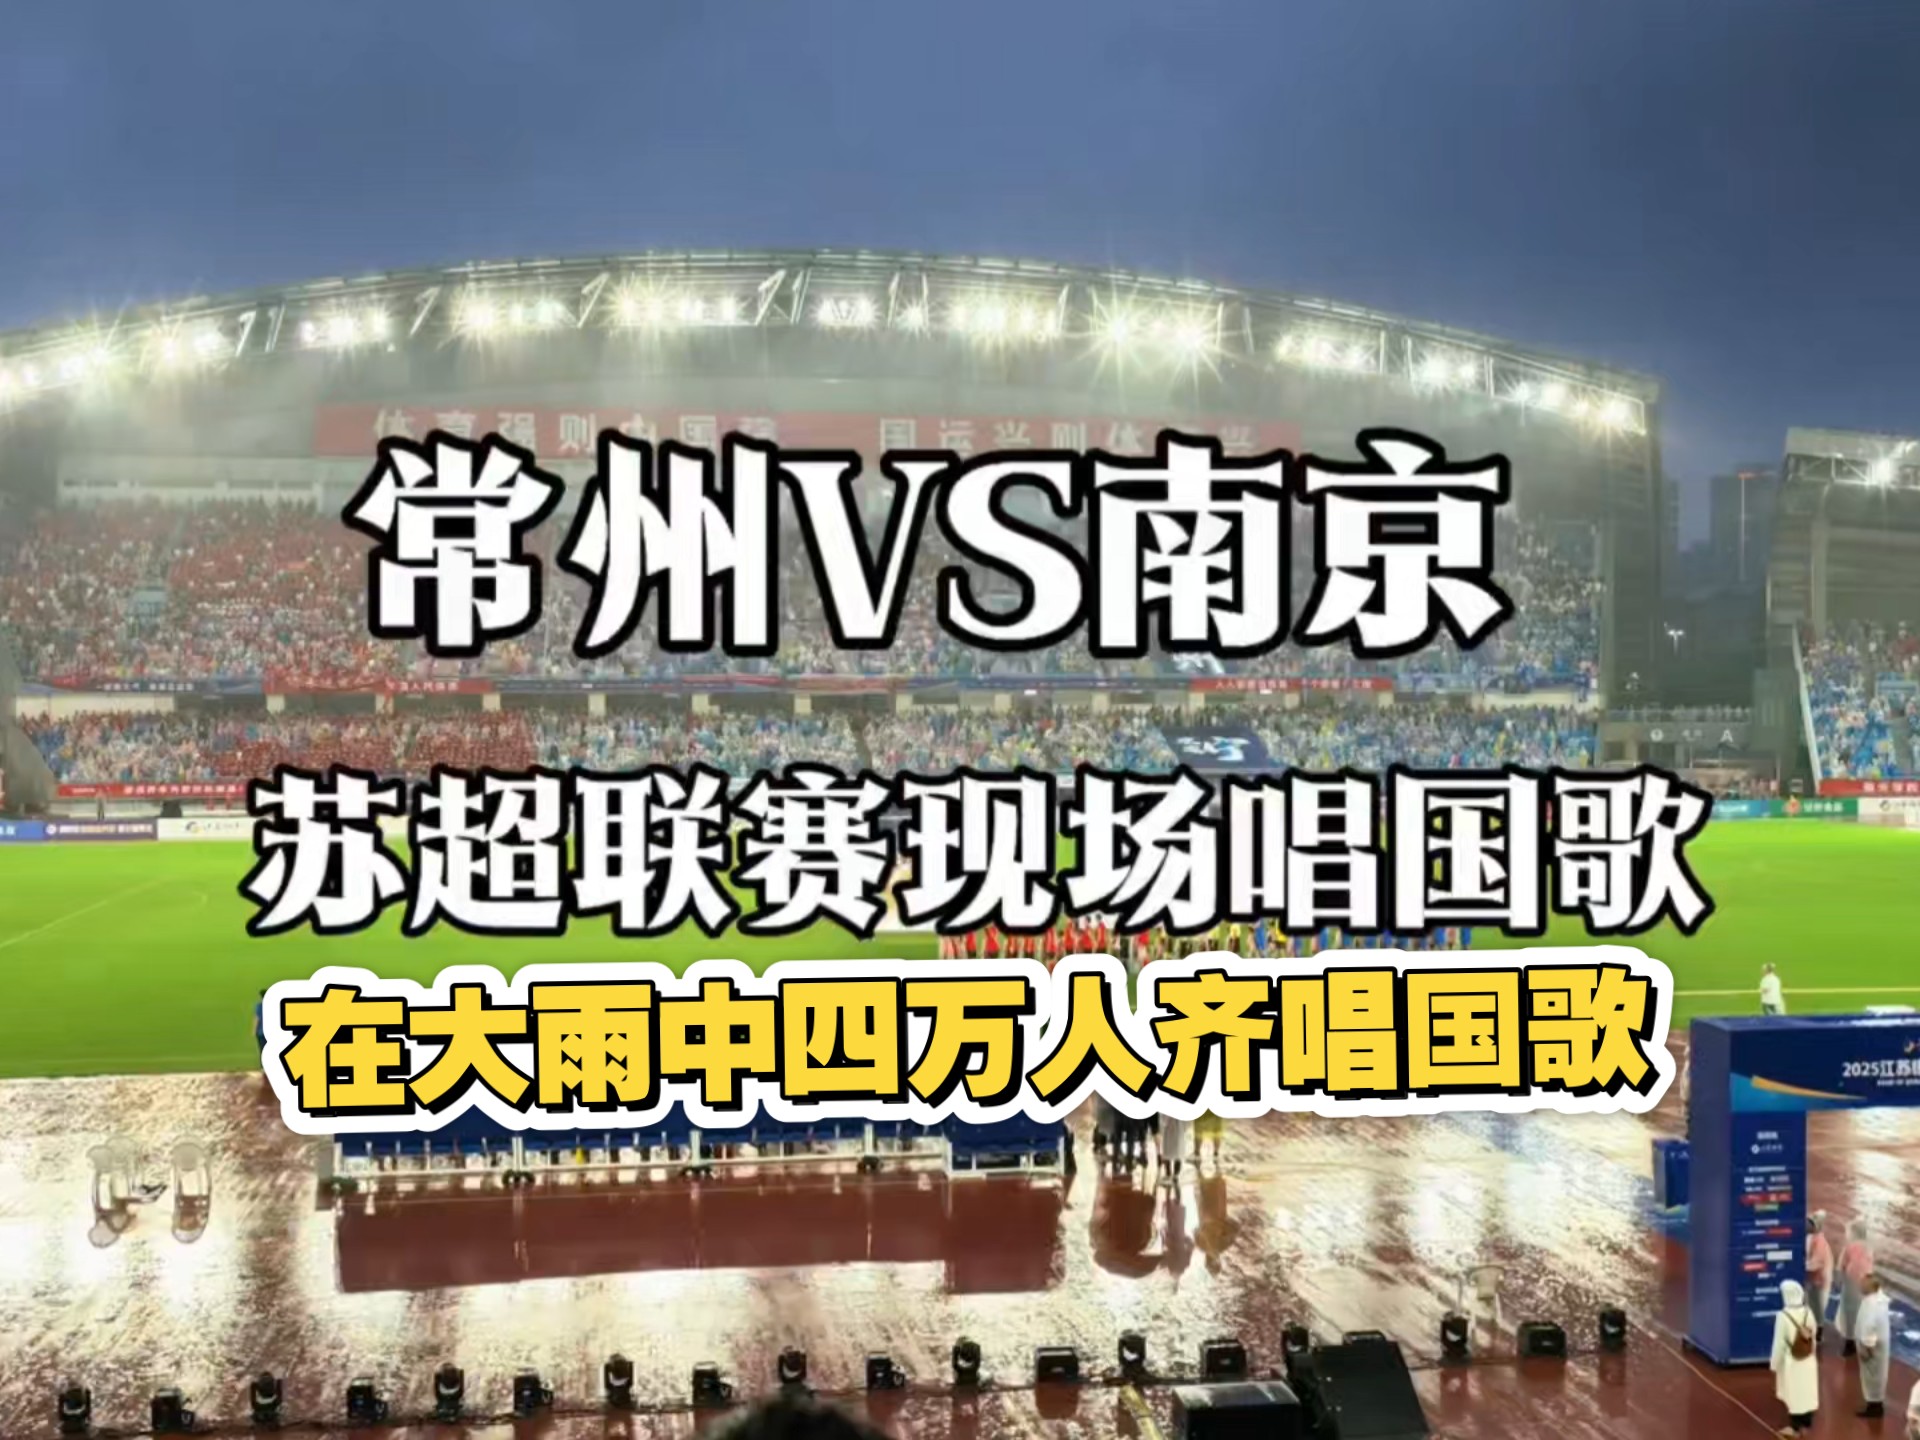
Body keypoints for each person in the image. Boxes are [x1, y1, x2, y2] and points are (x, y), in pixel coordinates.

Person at [1769, 1279, 1820, 1435]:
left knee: (1794, 1394)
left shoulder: (1782, 1316)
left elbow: (1779, 1343)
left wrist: (1774, 1364)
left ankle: (1794, 1428)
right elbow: (1813, 1334)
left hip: (1792, 1361)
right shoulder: (1808, 1312)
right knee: (1807, 1391)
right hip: (1808, 1359)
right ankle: (1806, 1423)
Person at [1856, 1272, 1891, 1418]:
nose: (1860, 1285)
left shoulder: (1872, 1305)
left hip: (1872, 1348)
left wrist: (1867, 1348)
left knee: (1872, 1377)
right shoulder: (1877, 1300)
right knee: (1876, 1376)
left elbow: (1870, 1326)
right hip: (1877, 1346)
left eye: (1863, 1283)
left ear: (1870, 1287)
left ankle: (1874, 1408)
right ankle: (1875, 1405)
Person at [1838, 1220, 1874, 1356]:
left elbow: (1842, 1265)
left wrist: (1840, 1278)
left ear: (1853, 1233)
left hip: (1851, 1283)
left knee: (1849, 1312)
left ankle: (1850, 1342)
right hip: (1865, 1283)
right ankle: (1865, 1342)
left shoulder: (1849, 1247)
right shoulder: (1869, 1248)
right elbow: (1869, 1267)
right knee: (1864, 1312)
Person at [1806, 1211, 1833, 1340]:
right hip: (1814, 1279)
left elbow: (1815, 1264)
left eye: (1809, 1223)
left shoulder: (1820, 1242)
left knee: (1816, 1306)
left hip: (1819, 1280)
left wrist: (1800, 1266)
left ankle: (1818, 1333)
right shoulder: (1812, 1238)